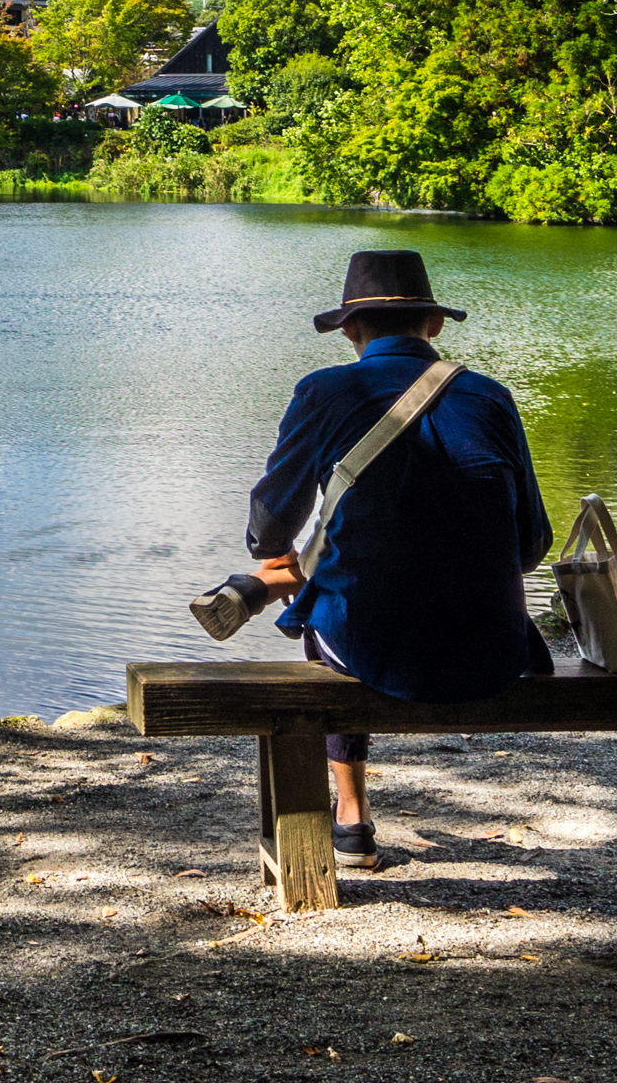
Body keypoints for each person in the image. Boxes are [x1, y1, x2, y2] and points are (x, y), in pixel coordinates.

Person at [213, 249, 552, 869]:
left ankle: (351, 816)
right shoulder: (491, 398)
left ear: (349, 328)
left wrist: (273, 555)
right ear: (435, 325)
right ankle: (288, 582)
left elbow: (272, 519)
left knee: (338, 604)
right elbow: (531, 544)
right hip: (491, 651)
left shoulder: (324, 392)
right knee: (357, 580)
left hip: (373, 648)